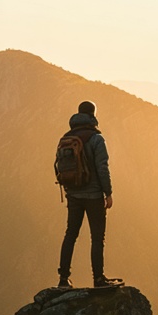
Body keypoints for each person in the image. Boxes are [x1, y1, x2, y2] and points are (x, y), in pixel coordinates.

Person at [57, 100, 122, 288]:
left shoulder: (67, 138)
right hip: (93, 196)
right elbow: (102, 168)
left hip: (73, 194)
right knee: (97, 237)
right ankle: (98, 279)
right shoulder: (96, 139)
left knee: (70, 234)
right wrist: (108, 193)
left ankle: (63, 278)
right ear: (93, 114)